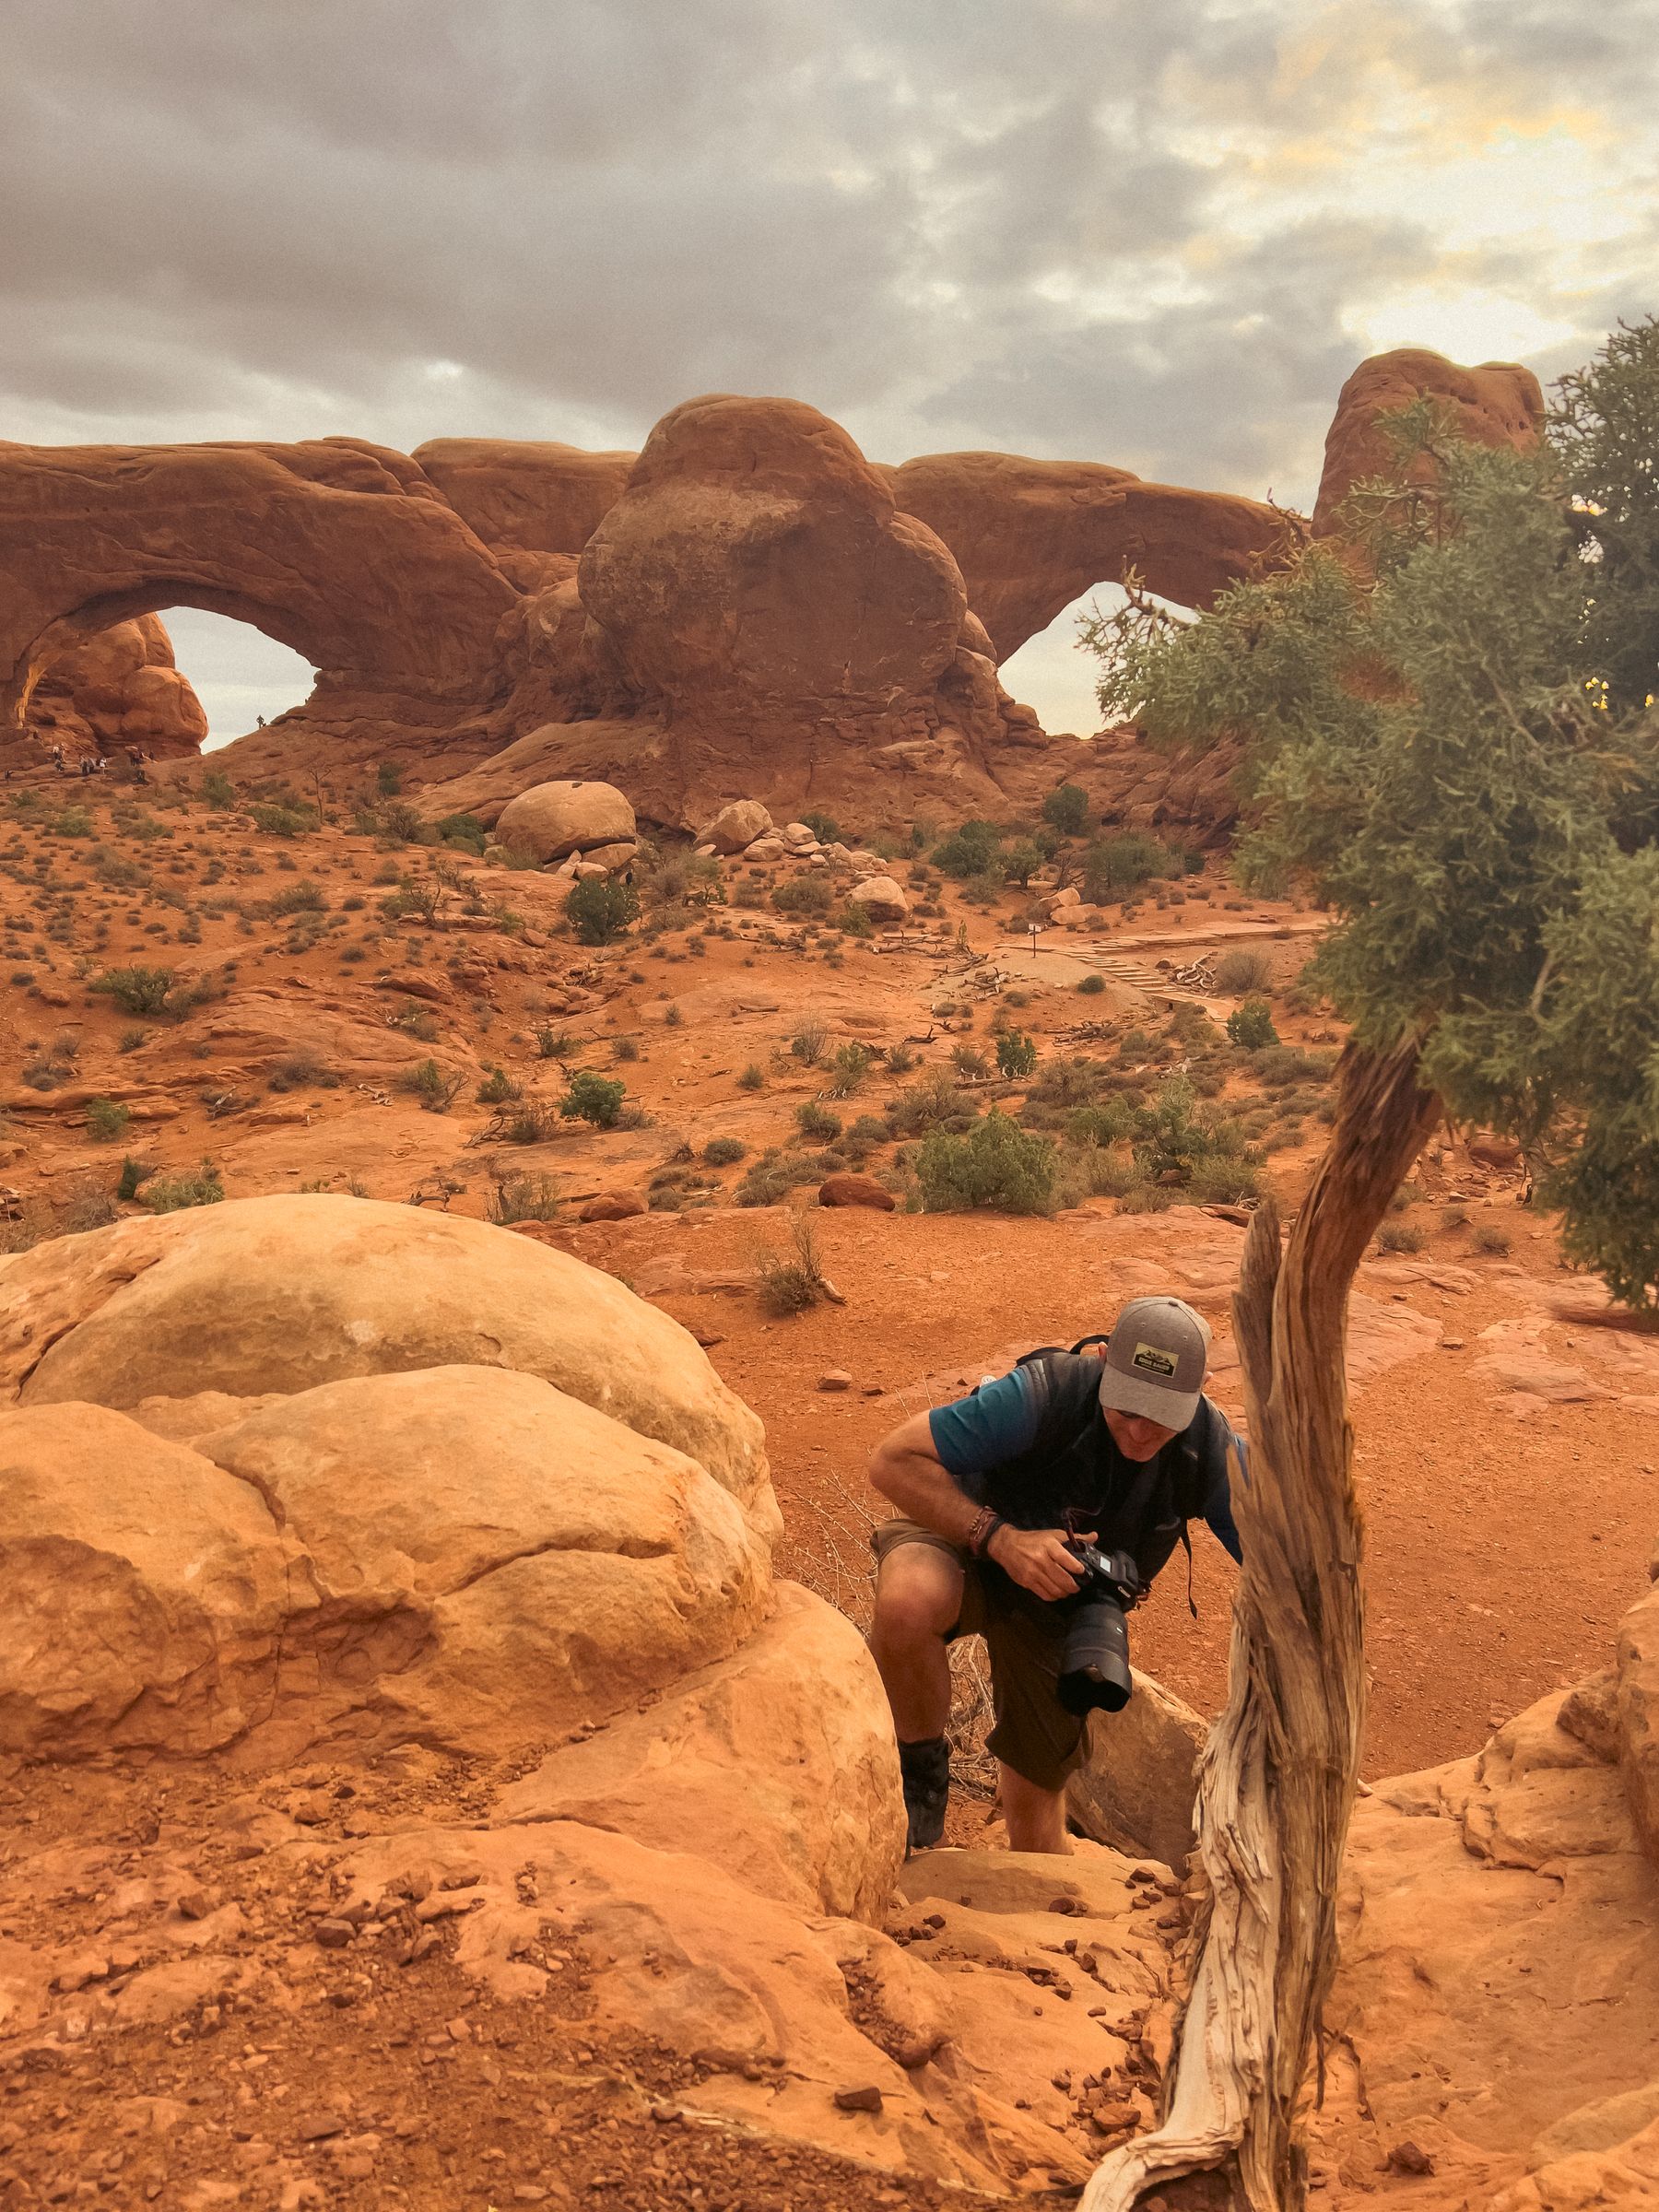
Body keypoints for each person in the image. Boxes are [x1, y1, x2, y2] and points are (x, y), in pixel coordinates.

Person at [866, 1296, 1243, 1855]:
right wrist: (1000, 1539)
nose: (1141, 1432)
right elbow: (891, 1461)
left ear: (1201, 1389)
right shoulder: (1044, 1395)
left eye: (1162, 1415)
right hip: (968, 1541)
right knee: (908, 1601)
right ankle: (920, 1782)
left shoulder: (1208, 1447)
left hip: (1062, 1603)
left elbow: (1284, 1562)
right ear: (1103, 1359)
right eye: (1127, 1406)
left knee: (1039, 1812)